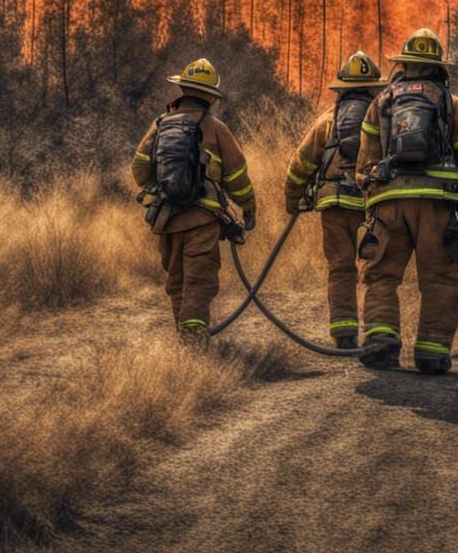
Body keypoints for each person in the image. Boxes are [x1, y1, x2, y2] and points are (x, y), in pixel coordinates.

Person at [355, 29, 458, 372]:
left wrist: (372, 198)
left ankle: (382, 339)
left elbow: (365, 162)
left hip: (390, 204)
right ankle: (431, 351)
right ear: (437, 68)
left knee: (380, 274)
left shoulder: (380, 102)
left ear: (405, 65)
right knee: (440, 278)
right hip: (437, 203)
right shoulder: (452, 104)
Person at [131, 58, 256, 346]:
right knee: (199, 281)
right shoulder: (215, 127)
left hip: (168, 220)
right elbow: (237, 175)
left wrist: (161, 188)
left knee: (177, 282)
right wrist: (248, 208)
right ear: (211, 96)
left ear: (183, 89)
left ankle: (186, 342)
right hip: (202, 220)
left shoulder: (160, 124)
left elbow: (139, 168)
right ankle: (194, 341)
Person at [284, 52, 389, 348]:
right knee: (375, 267)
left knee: (341, 267)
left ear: (341, 88)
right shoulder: (383, 119)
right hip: (373, 204)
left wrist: (293, 200)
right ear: (373, 89)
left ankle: (343, 333)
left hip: (334, 203)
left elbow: (300, 165)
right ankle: (379, 333)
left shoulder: (327, 122)